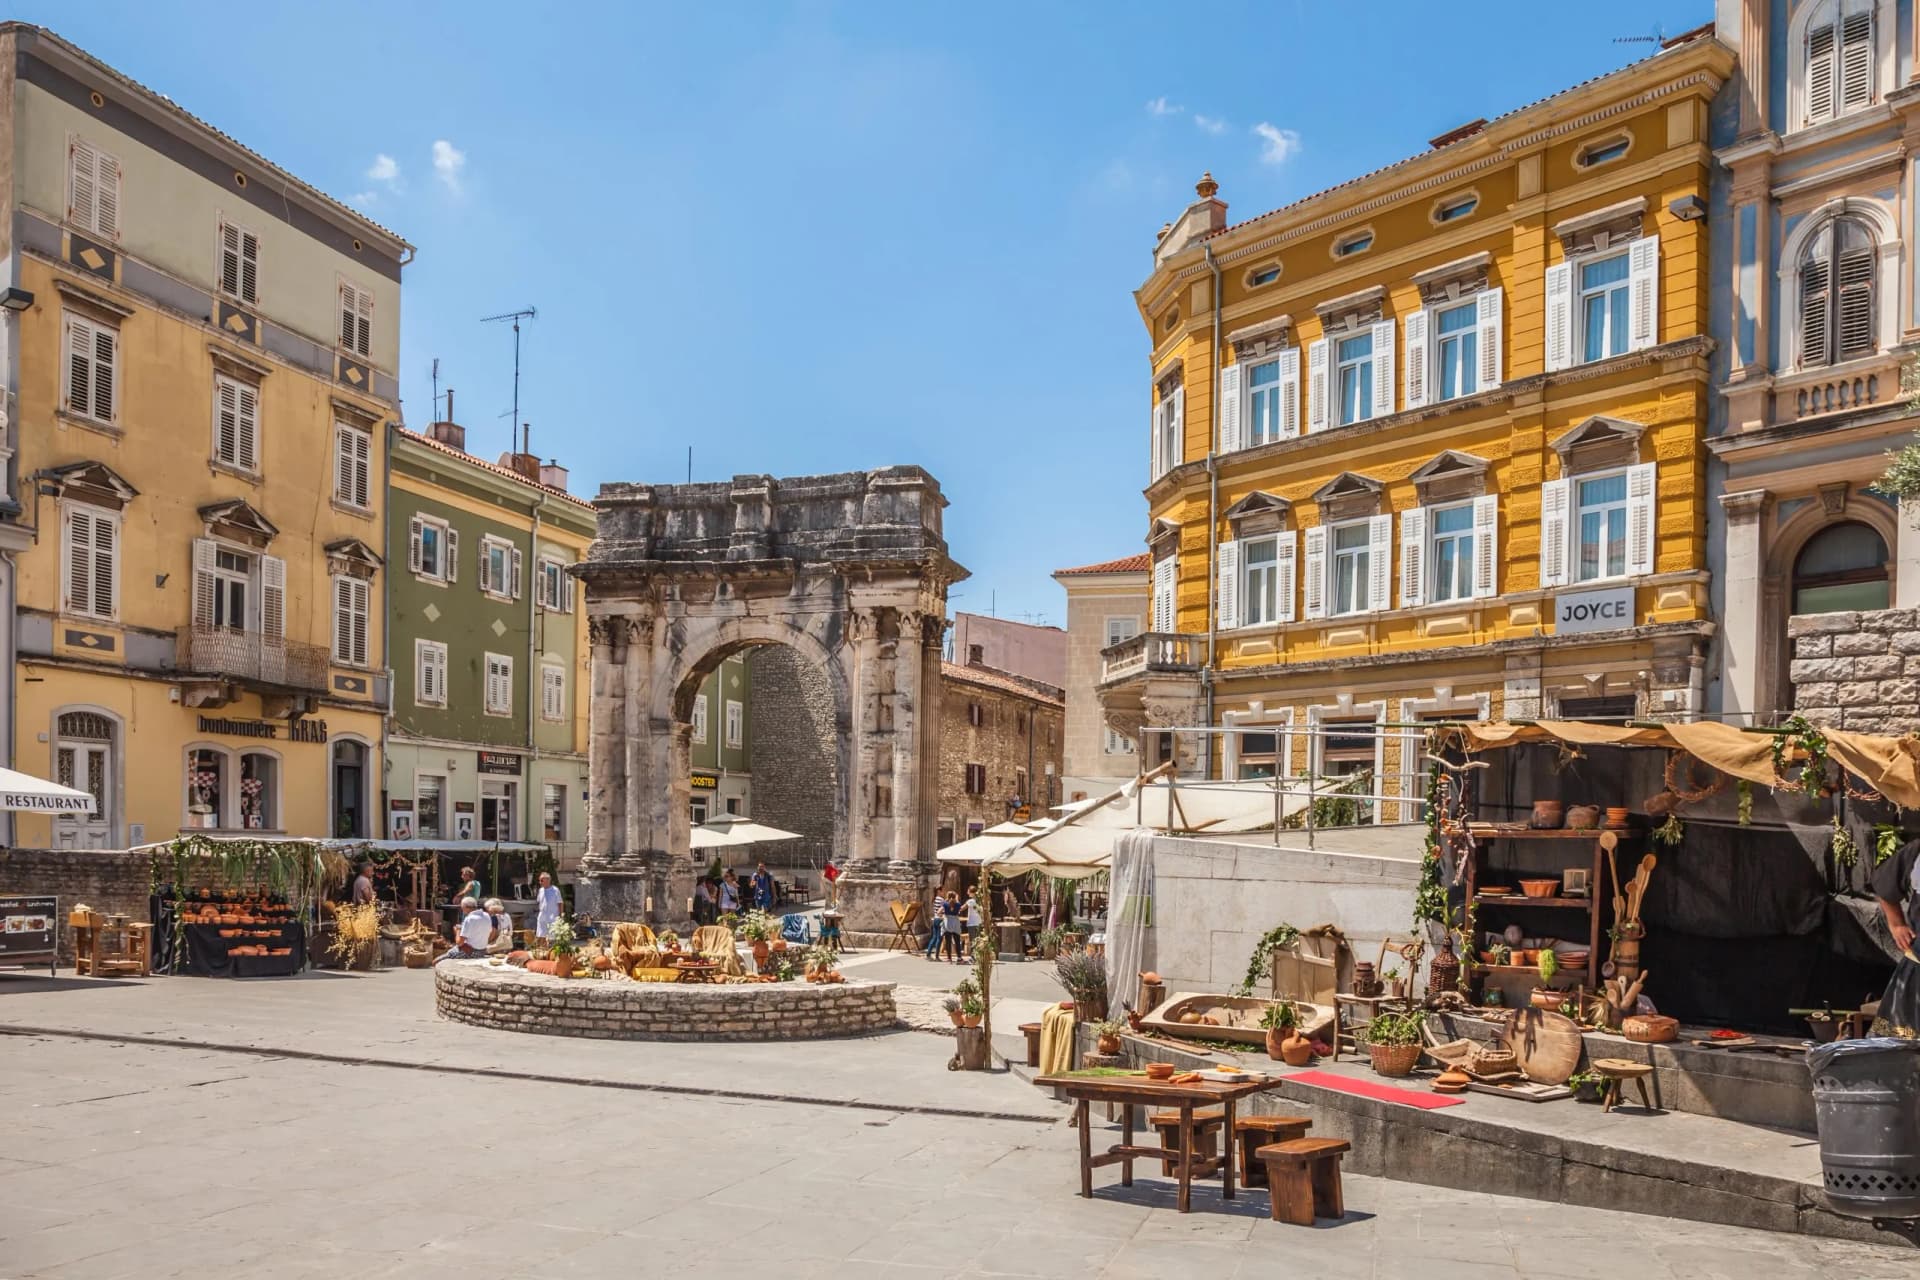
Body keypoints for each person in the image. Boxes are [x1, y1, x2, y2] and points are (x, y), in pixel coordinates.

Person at [1871, 836, 1920, 1037]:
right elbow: (1885, 886)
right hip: (1918, 971)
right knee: (1905, 1050)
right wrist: (1896, 925)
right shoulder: (1917, 851)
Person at [436, 897, 491, 963]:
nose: (462, 910)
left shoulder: (469, 919)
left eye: (462, 907)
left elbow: (459, 943)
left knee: (436, 961)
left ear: (466, 907)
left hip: (470, 952)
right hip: (482, 951)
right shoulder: (486, 915)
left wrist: (458, 930)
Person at [533, 871, 562, 947]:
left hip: (552, 917)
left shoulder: (555, 890)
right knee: (541, 935)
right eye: (540, 880)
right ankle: (542, 951)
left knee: (552, 937)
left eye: (542, 880)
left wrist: (560, 915)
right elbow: (539, 902)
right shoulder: (541, 890)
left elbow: (560, 903)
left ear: (548, 880)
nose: (540, 882)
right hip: (542, 916)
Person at [940, 891, 965, 963]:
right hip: (955, 924)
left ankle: (949, 958)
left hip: (948, 923)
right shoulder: (958, 904)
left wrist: (943, 916)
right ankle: (959, 958)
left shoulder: (945, 904)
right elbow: (959, 910)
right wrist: (957, 900)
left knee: (948, 941)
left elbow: (939, 912)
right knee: (957, 941)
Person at [923, 896, 945, 962]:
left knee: (934, 937)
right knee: (939, 938)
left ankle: (928, 954)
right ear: (939, 890)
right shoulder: (941, 899)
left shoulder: (935, 898)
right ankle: (937, 956)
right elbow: (942, 910)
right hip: (940, 919)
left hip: (935, 919)